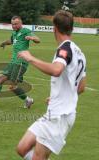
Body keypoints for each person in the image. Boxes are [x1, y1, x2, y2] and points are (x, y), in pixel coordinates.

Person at [16, 10, 86, 160]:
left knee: (37, 158)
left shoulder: (65, 49)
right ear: (71, 28)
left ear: (54, 28)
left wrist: (30, 58)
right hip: (54, 112)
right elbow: (81, 87)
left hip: (60, 115)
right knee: (22, 148)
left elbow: (56, 70)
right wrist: (58, 96)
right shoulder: (79, 52)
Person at [0, 16, 40, 108]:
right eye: (12, 24)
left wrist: (32, 38)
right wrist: (4, 43)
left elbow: (38, 39)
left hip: (20, 62)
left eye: (16, 24)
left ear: (21, 23)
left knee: (12, 86)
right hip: (13, 62)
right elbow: (12, 40)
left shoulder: (25, 31)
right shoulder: (14, 33)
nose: (14, 26)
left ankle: (28, 100)